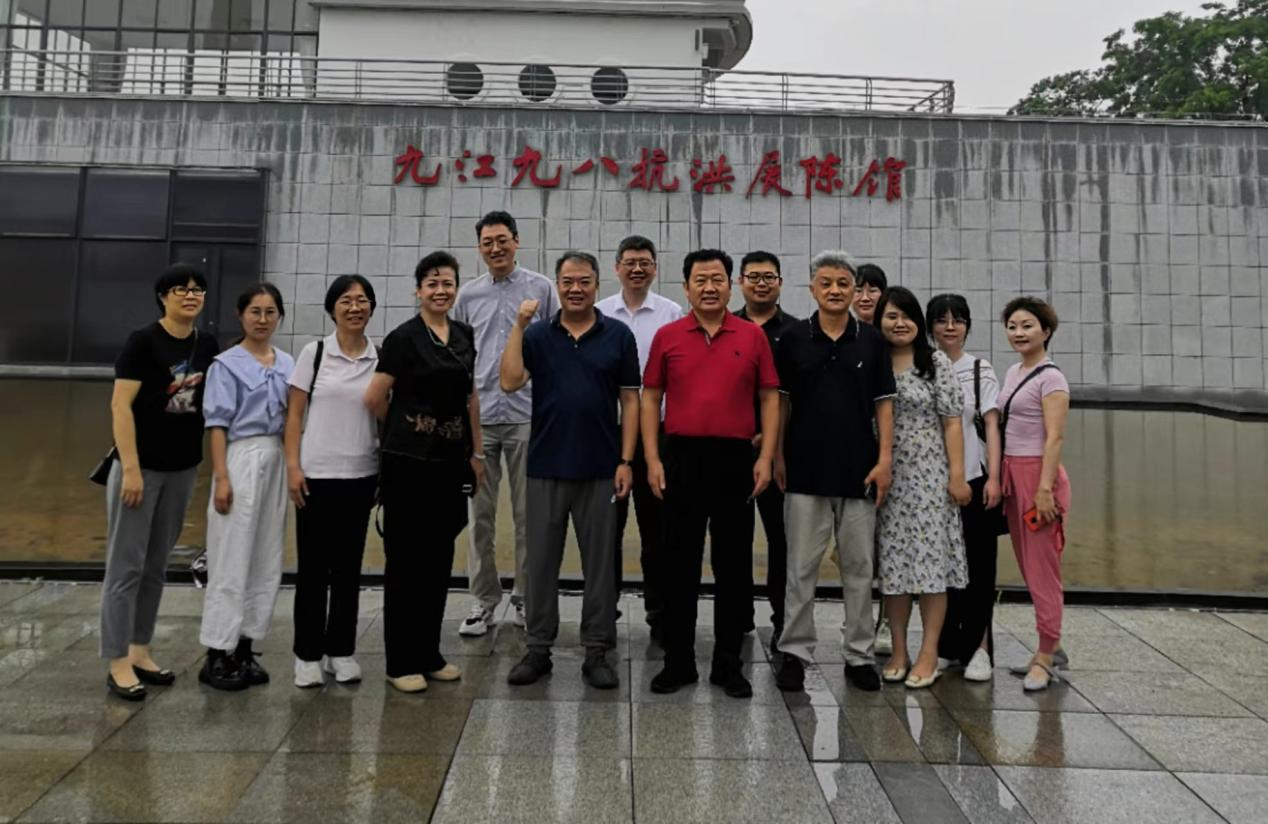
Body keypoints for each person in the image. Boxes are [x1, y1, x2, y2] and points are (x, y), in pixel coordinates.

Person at [641, 249, 780, 699]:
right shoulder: (668, 336)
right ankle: (678, 661)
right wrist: (652, 458)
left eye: (717, 279)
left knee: (733, 566)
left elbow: (770, 396)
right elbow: (650, 397)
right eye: (700, 280)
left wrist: (766, 456)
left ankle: (727, 665)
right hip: (681, 457)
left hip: (735, 459)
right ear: (686, 287)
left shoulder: (752, 336)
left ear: (731, 284)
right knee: (678, 564)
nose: (709, 287)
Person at [499, 251, 641, 689]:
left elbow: (630, 400)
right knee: (540, 563)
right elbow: (509, 380)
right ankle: (538, 647)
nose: (575, 289)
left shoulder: (617, 335)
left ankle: (597, 650)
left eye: (584, 281)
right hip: (546, 464)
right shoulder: (539, 334)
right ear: (557, 286)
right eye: (567, 282)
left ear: (597, 284)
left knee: (600, 565)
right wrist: (519, 326)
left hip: (601, 467)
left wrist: (626, 460)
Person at [773, 251, 894, 693]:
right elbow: (781, 402)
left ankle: (858, 654)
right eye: (826, 283)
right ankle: (795, 651)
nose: (836, 291)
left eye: (844, 283)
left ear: (854, 289)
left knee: (859, 568)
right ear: (812, 288)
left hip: (859, 471)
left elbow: (884, 404)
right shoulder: (792, 338)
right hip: (804, 469)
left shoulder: (872, 341)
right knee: (800, 568)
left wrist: (885, 460)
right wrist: (776, 455)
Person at [364, 251, 485, 693]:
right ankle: (400, 661)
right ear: (418, 290)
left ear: (456, 289)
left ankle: (429, 653)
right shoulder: (403, 338)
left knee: (438, 559)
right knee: (405, 562)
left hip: (450, 462)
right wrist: (406, 428)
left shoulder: (464, 334)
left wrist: (477, 452)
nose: (440, 290)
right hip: (408, 464)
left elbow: (471, 397)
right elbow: (374, 398)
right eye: (432, 283)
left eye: (447, 283)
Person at [100, 263, 220, 701]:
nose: (190, 295)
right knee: (125, 567)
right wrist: (131, 468)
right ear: (163, 296)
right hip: (140, 470)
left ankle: (140, 649)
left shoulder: (207, 344)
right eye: (180, 289)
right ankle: (116, 660)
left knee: (155, 566)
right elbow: (120, 406)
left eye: (197, 289)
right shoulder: (143, 341)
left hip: (182, 469)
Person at [452, 211, 559, 637]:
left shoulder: (542, 289)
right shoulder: (467, 295)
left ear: (516, 241)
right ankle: (483, 601)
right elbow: (458, 355)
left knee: (528, 515)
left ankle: (525, 599)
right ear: (479, 248)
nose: (495, 248)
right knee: (479, 516)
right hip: (479, 419)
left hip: (527, 416)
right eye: (487, 242)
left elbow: (555, 349)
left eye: (502, 240)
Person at [284, 275, 380, 688]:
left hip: (361, 474)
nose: (355, 307)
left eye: (362, 300)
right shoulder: (315, 353)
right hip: (316, 475)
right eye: (346, 300)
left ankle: (340, 650)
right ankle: (307, 654)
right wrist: (293, 466)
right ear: (332, 308)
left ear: (371, 307)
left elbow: (386, 413)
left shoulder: (379, 357)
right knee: (312, 569)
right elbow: (293, 415)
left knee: (347, 569)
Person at [198, 284, 295, 691]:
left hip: (276, 457)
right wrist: (222, 477)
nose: (262, 319)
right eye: (255, 311)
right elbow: (217, 425)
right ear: (240, 315)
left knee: (265, 555)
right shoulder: (226, 365)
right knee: (231, 555)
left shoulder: (288, 363)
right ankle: (216, 651)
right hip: (240, 458)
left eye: (270, 312)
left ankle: (245, 645)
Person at [873, 286, 971, 690]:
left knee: (931, 568)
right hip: (887, 480)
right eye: (891, 316)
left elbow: (952, 421)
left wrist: (957, 475)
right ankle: (899, 650)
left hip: (930, 477)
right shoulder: (873, 360)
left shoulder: (935, 362)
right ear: (879, 321)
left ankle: (929, 651)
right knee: (894, 568)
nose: (900, 323)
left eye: (907, 315)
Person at [595, 236, 682, 641]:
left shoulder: (671, 313)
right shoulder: (598, 312)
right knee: (606, 528)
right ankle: (604, 611)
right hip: (606, 433)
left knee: (657, 529)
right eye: (629, 262)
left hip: (656, 436)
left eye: (644, 262)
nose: (637, 269)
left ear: (654, 268)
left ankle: (659, 613)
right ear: (616, 268)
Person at [927, 293, 1003, 683]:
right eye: (942, 320)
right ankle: (946, 646)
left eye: (957, 320)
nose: (950, 327)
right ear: (931, 327)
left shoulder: (978, 369)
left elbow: (991, 425)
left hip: (973, 479)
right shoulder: (923, 367)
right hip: (932, 485)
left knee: (979, 567)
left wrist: (995, 478)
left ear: (967, 326)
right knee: (942, 568)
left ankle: (980, 647)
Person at [997, 296, 1072, 692]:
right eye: (1012, 326)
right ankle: (1051, 645)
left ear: (1046, 330)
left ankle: (1045, 656)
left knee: (1044, 569)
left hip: (1038, 478)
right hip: (1013, 474)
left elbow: (1055, 437)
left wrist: (1044, 489)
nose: (1019, 333)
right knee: (1029, 567)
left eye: (1027, 325)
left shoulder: (1051, 378)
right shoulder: (1014, 371)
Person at [734, 250, 798, 647]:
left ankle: (782, 618)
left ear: (780, 283)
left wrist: (773, 441)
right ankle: (738, 616)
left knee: (782, 539)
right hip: (733, 449)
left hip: (779, 456)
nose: (761, 283)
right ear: (740, 282)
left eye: (768, 277)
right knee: (735, 538)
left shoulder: (797, 332)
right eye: (754, 276)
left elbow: (798, 394)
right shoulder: (726, 325)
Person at [851, 262, 892, 654]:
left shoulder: (893, 339)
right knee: (857, 549)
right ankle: (858, 620)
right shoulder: (841, 336)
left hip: (891, 458)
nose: (865, 297)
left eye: (872, 289)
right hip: (852, 457)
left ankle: (884, 622)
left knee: (889, 545)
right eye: (858, 289)